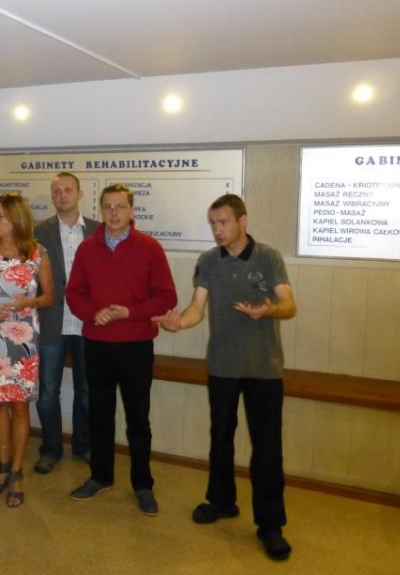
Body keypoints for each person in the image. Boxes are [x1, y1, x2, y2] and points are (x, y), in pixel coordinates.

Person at [152, 193, 297, 560]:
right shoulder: (208, 261)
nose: (217, 230)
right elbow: (196, 309)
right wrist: (178, 323)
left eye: (223, 222)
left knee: (267, 448)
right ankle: (221, 501)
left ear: (242, 221)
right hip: (222, 366)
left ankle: (270, 525)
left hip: (264, 368)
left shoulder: (268, 257)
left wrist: (269, 311)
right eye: (213, 223)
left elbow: (289, 306)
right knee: (220, 437)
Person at [65, 183, 177, 516]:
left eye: (120, 206)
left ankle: (143, 484)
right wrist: (92, 313)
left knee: (137, 418)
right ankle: (100, 476)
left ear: (131, 210)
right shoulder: (87, 248)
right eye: (108, 207)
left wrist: (130, 312)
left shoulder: (150, 247)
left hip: (136, 346)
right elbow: (74, 293)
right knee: (99, 414)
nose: (114, 213)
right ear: (101, 210)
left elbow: (166, 297)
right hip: (97, 345)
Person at [0, 192, 54, 508]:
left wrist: (31, 301)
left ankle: (16, 470)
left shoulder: (37, 253)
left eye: (1, 216)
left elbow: (49, 296)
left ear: (16, 218)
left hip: (24, 339)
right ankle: (3, 466)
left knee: (19, 408)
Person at [33, 172, 97, 474]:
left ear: (80, 193)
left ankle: (84, 446)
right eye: (56, 191)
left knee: (87, 393)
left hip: (88, 325)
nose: (62, 195)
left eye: (67, 190)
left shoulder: (97, 231)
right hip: (51, 324)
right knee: (47, 394)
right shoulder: (38, 232)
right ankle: (51, 449)